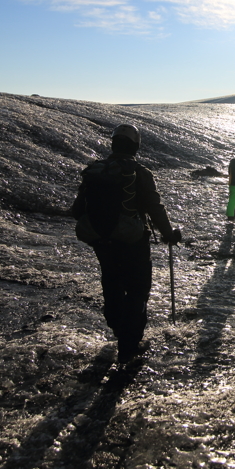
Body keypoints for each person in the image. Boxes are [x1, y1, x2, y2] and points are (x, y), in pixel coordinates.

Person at [70, 124, 181, 362]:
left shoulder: (95, 170)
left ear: (113, 144)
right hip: (132, 241)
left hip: (101, 240)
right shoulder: (139, 173)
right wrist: (168, 233)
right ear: (135, 146)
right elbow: (155, 208)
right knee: (137, 289)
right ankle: (129, 346)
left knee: (111, 280)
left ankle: (117, 326)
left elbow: (77, 209)